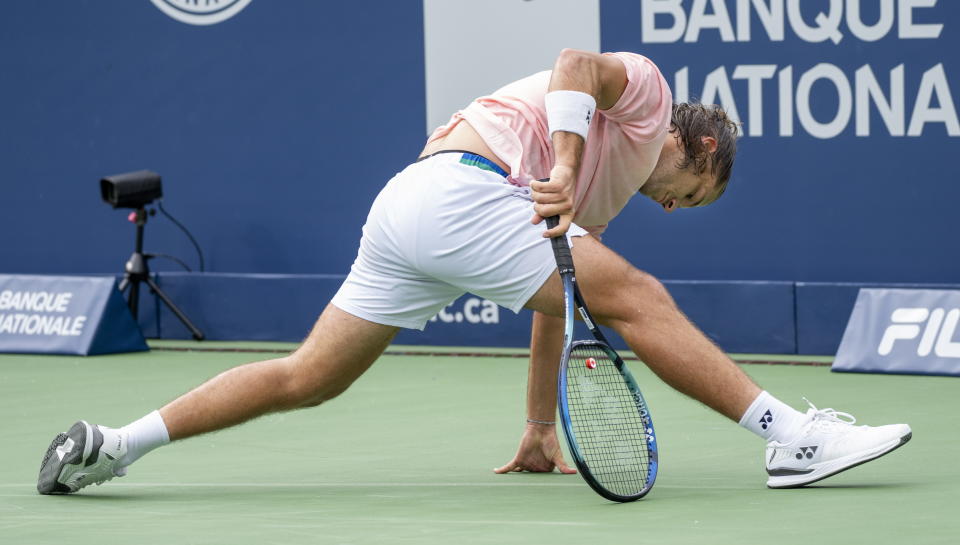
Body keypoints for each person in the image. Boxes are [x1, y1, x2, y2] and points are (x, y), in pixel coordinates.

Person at [37, 49, 910, 495]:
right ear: (703, 149)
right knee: (641, 296)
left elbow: (551, 308)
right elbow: (574, 64)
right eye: (694, 194)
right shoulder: (644, 94)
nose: (675, 208)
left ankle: (112, 447)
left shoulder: (599, 204)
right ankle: (790, 437)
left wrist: (539, 426)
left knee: (307, 376)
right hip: (459, 192)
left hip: (409, 206)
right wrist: (565, 161)